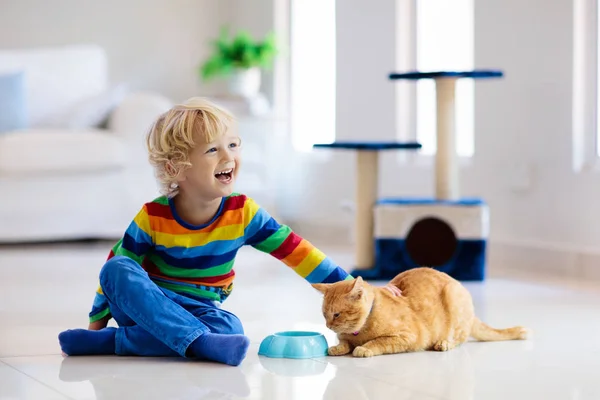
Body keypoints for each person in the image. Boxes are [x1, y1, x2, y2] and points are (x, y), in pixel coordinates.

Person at [57, 97, 354, 366]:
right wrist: (95, 323)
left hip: (200, 310)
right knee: (117, 267)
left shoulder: (243, 213)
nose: (228, 157)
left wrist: (352, 288)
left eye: (233, 145)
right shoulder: (153, 216)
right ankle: (200, 342)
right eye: (213, 149)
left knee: (231, 329)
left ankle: (118, 343)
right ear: (177, 168)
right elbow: (115, 274)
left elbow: (297, 251)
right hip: (146, 308)